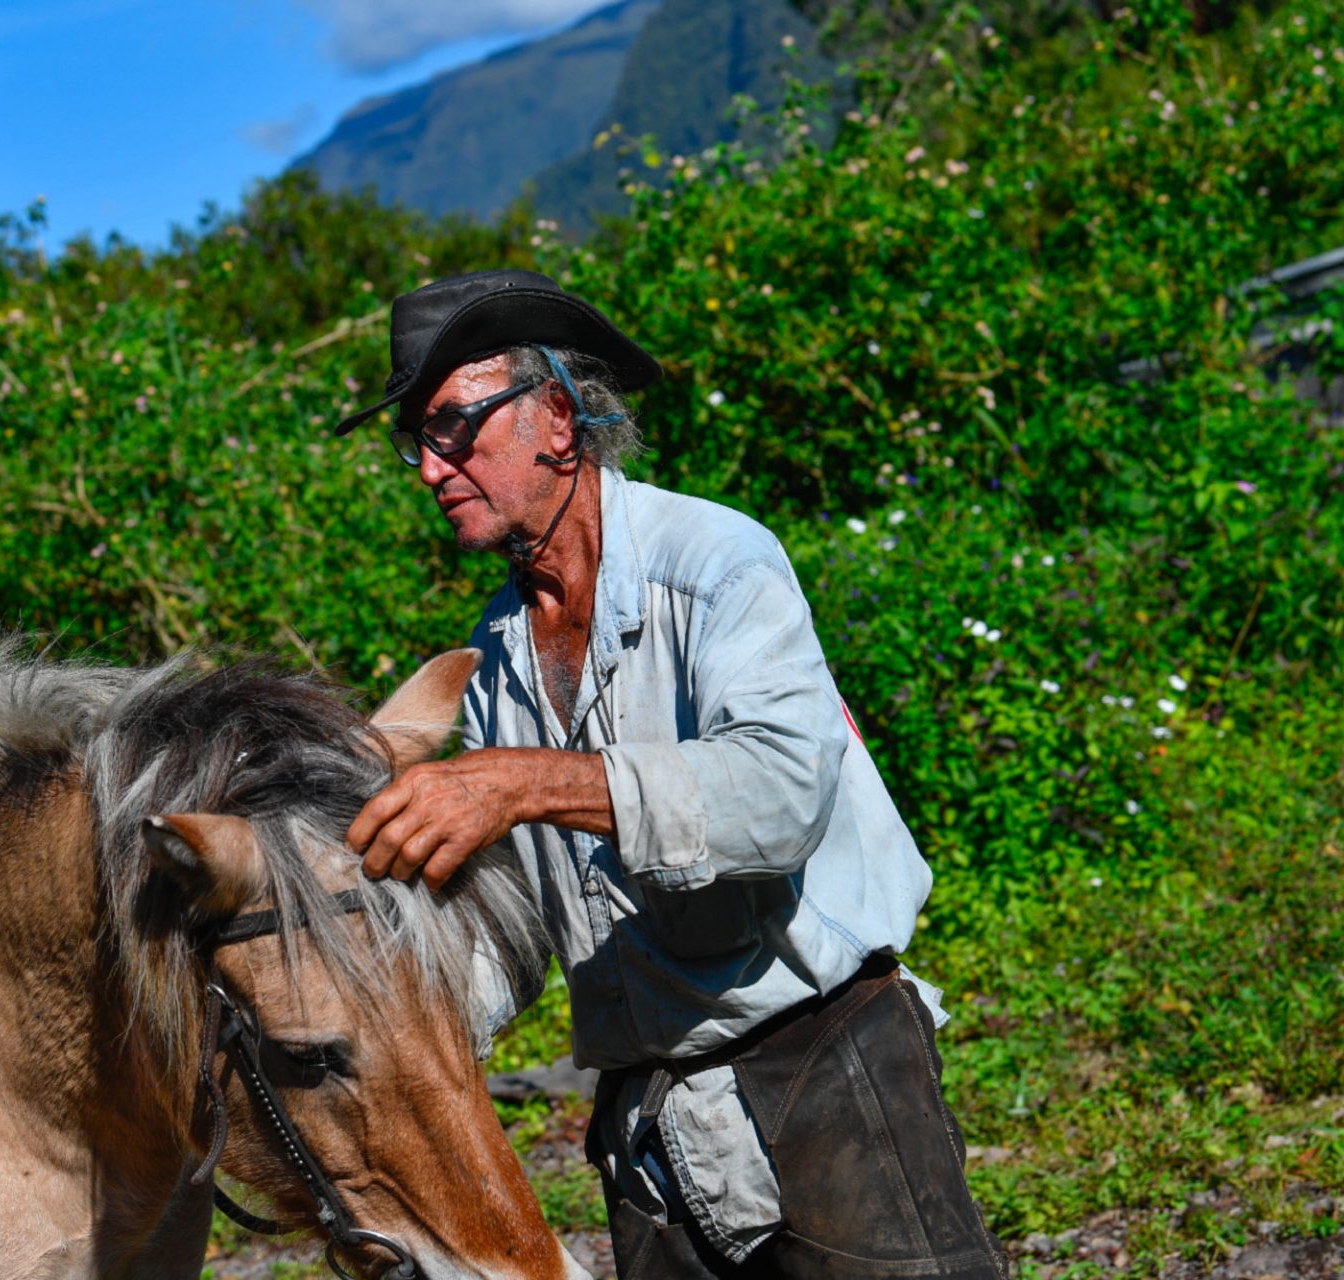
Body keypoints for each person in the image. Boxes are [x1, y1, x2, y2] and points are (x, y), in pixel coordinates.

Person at [336, 269, 1009, 1280]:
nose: (430, 469)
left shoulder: (719, 563)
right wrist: (359, 1009)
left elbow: (777, 797)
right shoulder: (498, 651)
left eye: (451, 429)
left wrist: (520, 782)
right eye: (416, 443)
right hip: (648, 1123)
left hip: (828, 1067)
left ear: (555, 417)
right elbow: (523, 926)